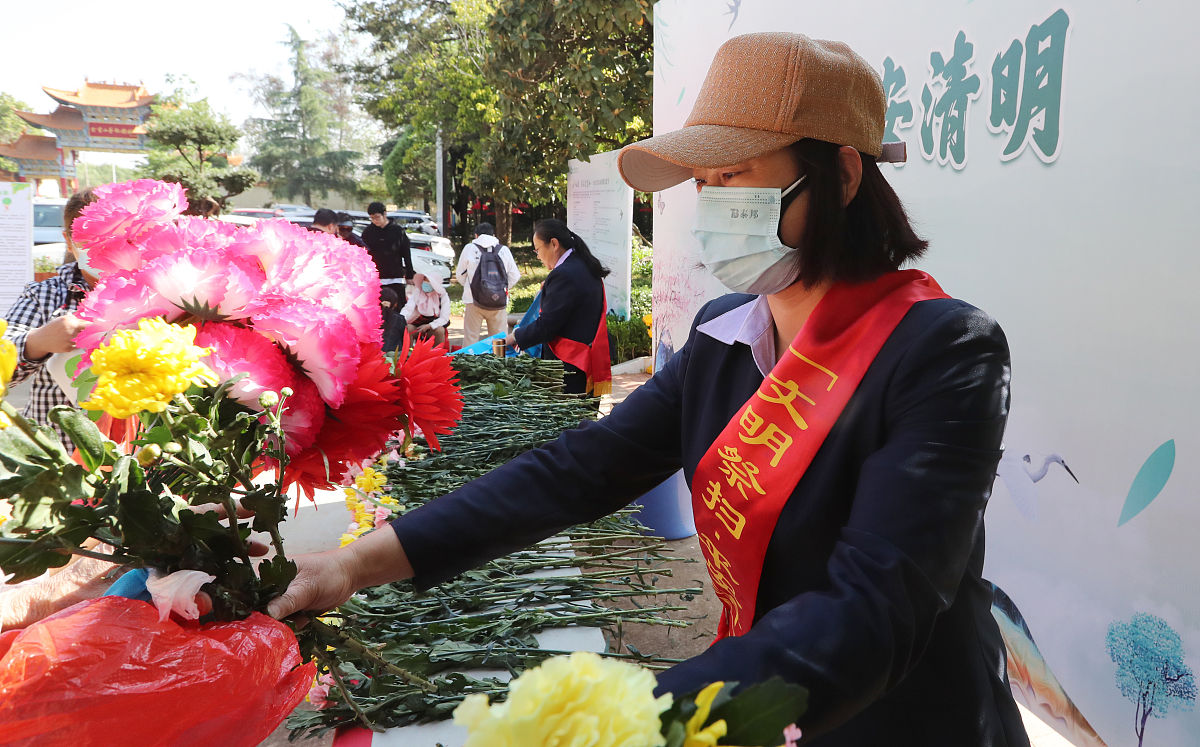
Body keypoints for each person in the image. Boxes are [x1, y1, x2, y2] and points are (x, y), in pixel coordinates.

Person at [266, 32, 1026, 746]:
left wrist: (628, 721)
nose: (715, 202)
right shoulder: (726, 332)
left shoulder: (943, 351)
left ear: (843, 176)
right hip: (752, 704)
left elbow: (873, 610)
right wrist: (353, 564)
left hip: (901, 721)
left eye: (737, 178)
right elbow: (577, 472)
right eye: (707, 182)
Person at [3, 188, 98, 449]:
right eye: (88, 239)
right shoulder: (44, 295)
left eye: (113, 237)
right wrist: (37, 341)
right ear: (69, 241)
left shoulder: (155, 294)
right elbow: (5, 364)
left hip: (143, 460)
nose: (101, 248)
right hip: (59, 458)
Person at [505, 219, 611, 396]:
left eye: (538, 249)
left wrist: (516, 336)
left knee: (572, 422)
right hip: (586, 361)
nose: (537, 256)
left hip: (571, 367)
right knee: (585, 421)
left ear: (553, 244)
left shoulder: (564, 274)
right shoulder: (582, 265)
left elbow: (548, 325)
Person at [455, 223, 520, 346]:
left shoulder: (470, 248)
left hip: (473, 300)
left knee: (471, 338)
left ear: (476, 235)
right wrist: (500, 289)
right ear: (493, 235)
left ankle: (469, 363)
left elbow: (460, 275)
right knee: (499, 341)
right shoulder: (503, 250)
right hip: (498, 302)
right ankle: (499, 363)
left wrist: (472, 287)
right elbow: (515, 276)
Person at [361, 202, 413, 303]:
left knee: (398, 307)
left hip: (396, 278)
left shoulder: (397, 231)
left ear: (384, 214)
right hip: (376, 278)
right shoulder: (368, 233)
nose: (375, 221)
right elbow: (363, 255)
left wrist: (409, 275)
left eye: (377, 217)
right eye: (372, 218)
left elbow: (406, 253)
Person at [399, 271, 451, 347]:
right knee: (408, 329)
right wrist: (401, 319)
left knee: (440, 330)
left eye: (428, 281)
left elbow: (444, 318)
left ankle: (438, 355)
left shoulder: (442, 296)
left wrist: (429, 326)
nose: (425, 283)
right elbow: (408, 309)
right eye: (424, 280)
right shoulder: (417, 293)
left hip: (433, 326)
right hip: (417, 325)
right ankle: (407, 355)